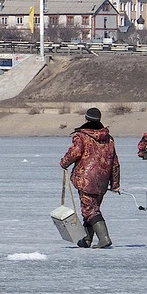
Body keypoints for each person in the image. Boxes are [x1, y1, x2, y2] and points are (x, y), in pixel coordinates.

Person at [60, 107, 121, 249]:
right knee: (92, 209)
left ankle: (104, 238)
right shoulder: (108, 139)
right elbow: (115, 162)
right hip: (102, 180)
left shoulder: (81, 136)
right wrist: (115, 183)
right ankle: (85, 239)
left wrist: (64, 163)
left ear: (86, 119)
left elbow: (75, 152)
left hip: (86, 179)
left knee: (90, 210)